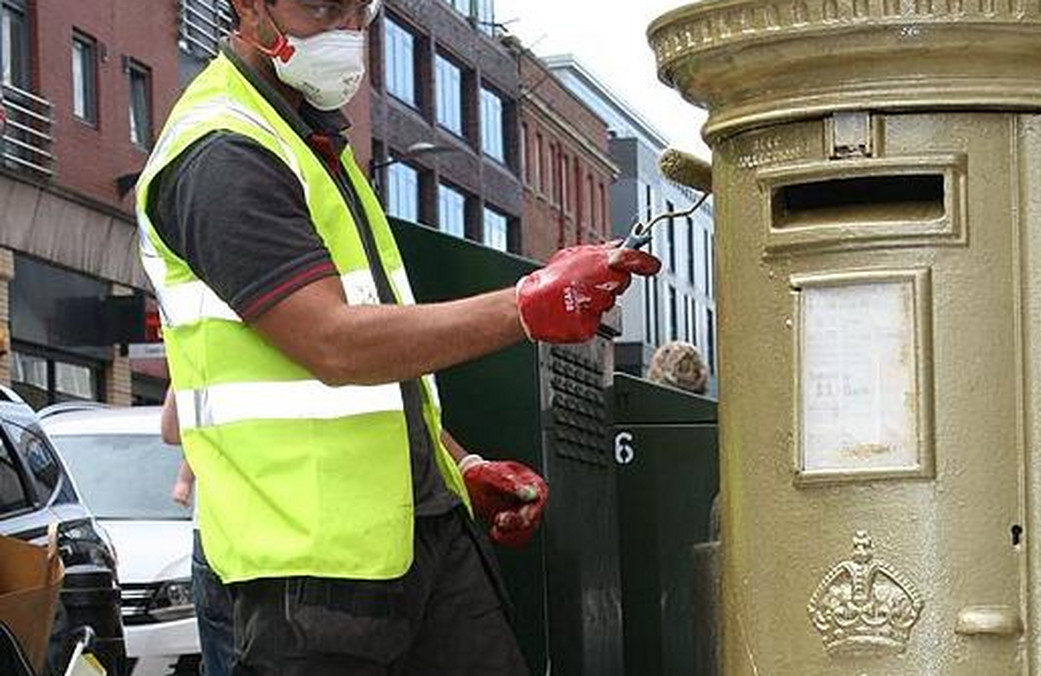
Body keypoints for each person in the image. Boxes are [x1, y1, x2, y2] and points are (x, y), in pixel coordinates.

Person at [134, 1, 660, 674]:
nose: (349, 31)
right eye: (322, 7)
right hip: (308, 574)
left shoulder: (305, 140)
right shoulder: (222, 153)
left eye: (362, 8)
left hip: (416, 535)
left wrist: (458, 464)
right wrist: (526, 307)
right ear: (246, 7)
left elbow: (366, 361)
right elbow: (333, 343)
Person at [163, 390, 235, 676]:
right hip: (289, 532)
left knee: (223, 652)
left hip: (215, 530)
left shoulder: (203, 353)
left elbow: (171, 431)